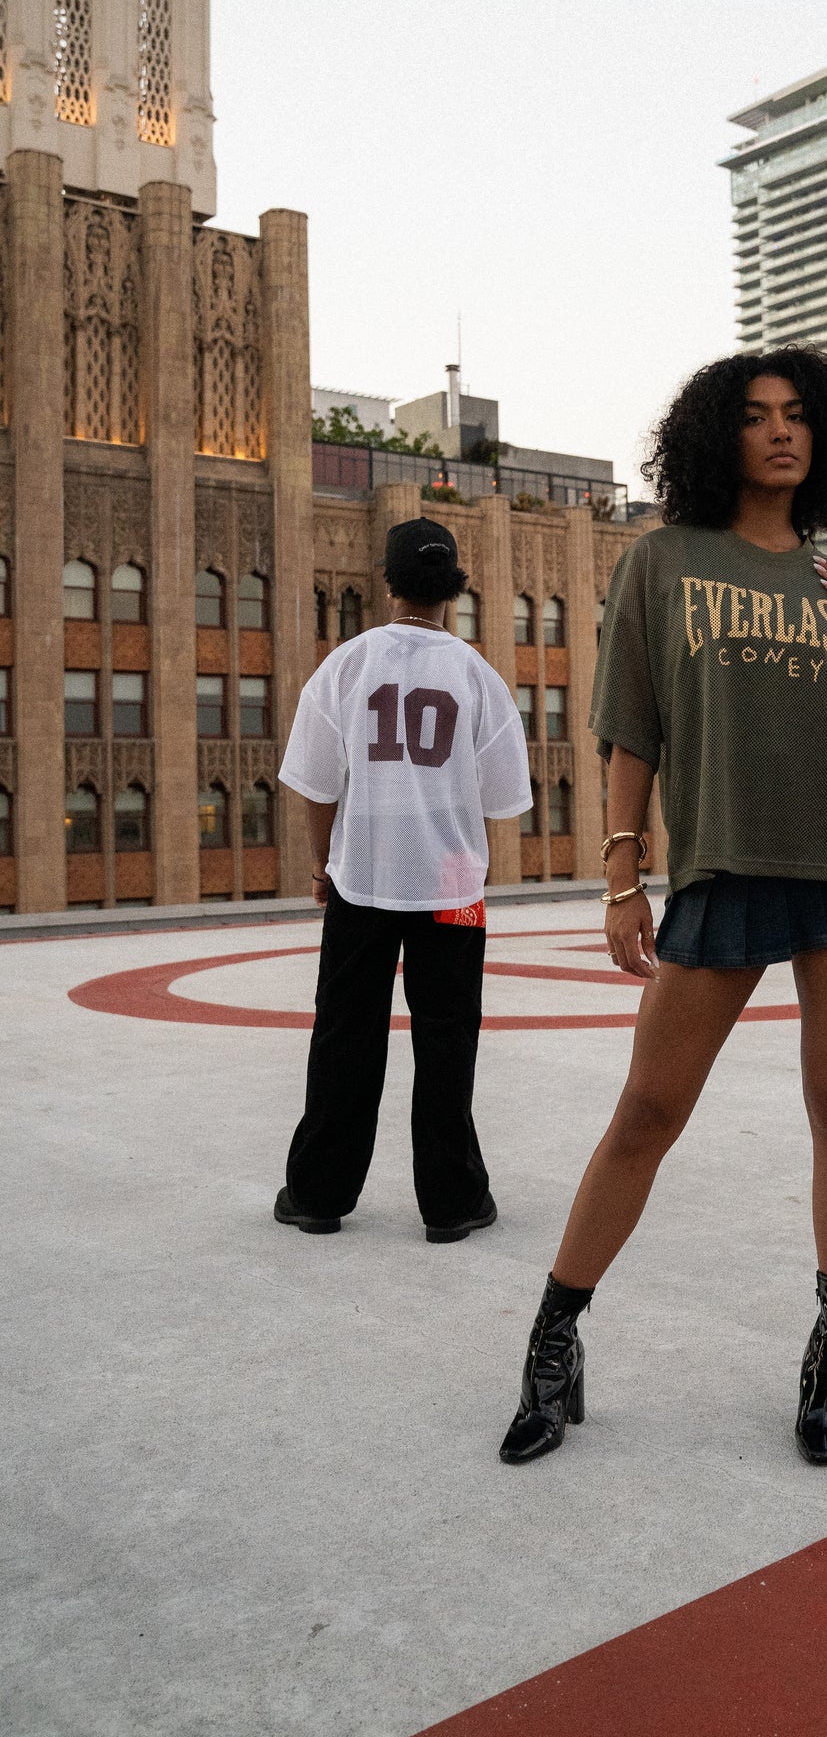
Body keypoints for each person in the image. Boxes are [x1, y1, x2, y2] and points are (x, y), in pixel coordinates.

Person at [497, 347, 827, 1467]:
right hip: (723, 863)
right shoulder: (664, 561)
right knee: (647, 1110)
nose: (780, 432)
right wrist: (618, 871)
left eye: (797, 416)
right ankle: (554, 1342)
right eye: (754, 417)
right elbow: (629, 726)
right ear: (717, 436)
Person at [273, 517, 531, 1242]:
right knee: (448, 1039)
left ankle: (318, 1195)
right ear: (456, 585)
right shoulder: (478, 674)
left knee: (344, 1035)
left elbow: (317, 784)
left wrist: (322, 863)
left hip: (363, 876)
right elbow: (501, 797)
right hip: (452, 887)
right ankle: (451, 1203)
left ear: (386, 582)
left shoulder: (346, 665)